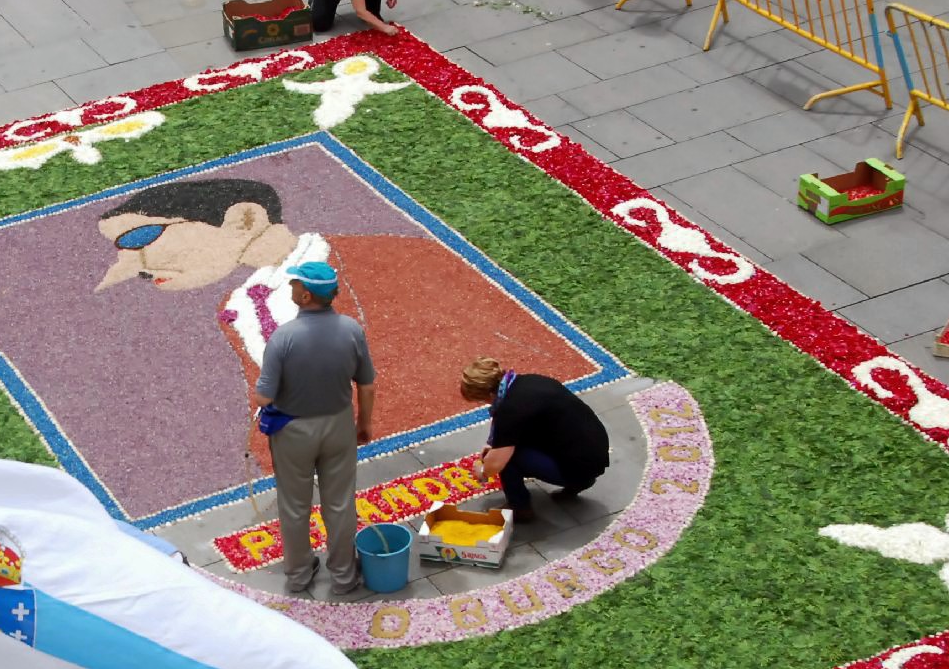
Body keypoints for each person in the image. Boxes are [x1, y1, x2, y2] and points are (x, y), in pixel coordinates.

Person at [95, 178, 593, 470]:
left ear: (244, 218)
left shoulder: (394, 258)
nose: (128, 265)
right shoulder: (240, 305)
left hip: (410, 452)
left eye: (137, 237)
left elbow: (544, 348)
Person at [255, 261, 375, 595]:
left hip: (294, 432)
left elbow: (263, 396)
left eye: (294, 285)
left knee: (294, 506)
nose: (291, 289)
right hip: (338, 425)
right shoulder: (352, 329)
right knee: (340, 503)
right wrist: (363, 423)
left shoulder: (284, 337)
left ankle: (299, 575)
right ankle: (343, 576)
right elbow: (366, 385)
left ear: (306, 296)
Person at [460, 357, 610, 522]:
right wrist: (495, 444)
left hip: (578, 467)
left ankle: (520, 508)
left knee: (510, 459)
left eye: (480, 400)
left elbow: (496, 464)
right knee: (514, 446)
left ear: (489, 393)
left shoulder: (510, 410)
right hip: (596, 453)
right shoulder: (531, 381)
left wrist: (482, 470)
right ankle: (580, 482)